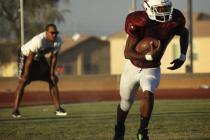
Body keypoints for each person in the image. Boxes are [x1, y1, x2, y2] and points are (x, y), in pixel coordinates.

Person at [113, 0, 189, 139]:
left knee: (148, 94)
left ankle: (143, 131)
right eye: (160, 9)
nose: (164, 12)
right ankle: (119, 128)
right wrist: (148, 56)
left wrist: (182, 56)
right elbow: (127, 53)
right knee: (126, 102)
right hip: (133, 67)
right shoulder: (139, 21)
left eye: (166, 8)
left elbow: (184, 33)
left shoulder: (175, 19)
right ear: (148, 8)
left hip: (152, 68)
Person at [12, 24, 67, 118]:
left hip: (39, 57)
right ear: (46, 33)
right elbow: (30, 58)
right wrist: (25, 74)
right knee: (23, 81)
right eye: (52, 33)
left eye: (56, 33)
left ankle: (58, 109)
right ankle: (15, 110)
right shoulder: (38, 40)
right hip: (25, 56)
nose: (54, 35)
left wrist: (52, 73)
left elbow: (54, 57)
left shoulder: (58, 40)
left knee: (52, 79)